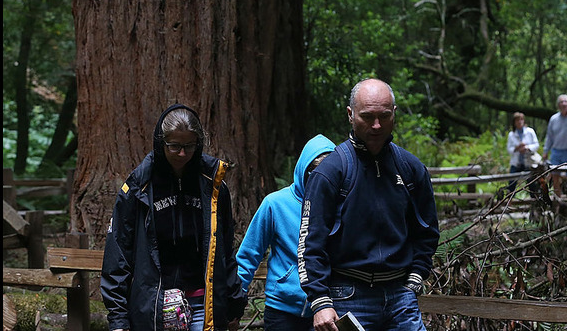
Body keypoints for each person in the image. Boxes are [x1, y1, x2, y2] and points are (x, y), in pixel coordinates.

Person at [298, 78, 440, 331]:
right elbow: (310, 243)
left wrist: (416, 277)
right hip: (347, 295)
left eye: (384, 116)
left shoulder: (411, 169)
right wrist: (320, 301)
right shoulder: (331, 172)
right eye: (367, 116)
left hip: (401, 295)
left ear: (394, 114)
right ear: (350, 115)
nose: (376, 125)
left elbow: (427, 231)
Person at [101, 103, 246, 331]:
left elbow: (226, 251)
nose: (182, 153)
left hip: (203, 303)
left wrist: (233, 305)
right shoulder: (139, 186)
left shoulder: (214, 186)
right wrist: (118, 319)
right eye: (174, 146)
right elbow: (118, 253)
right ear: (161, 142)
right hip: (153, 306)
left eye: (189, 146)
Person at [235, 134, 336, 330]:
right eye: (313, 172)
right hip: (282, 309)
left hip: (327, 308)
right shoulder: (275, 204)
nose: (319, 180)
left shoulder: (340, 206)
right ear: (303, 169)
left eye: (327, 174)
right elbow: (248, 256)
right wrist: (235, 302)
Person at [506, 112, 541, 195]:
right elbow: (509, 149)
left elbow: (536, 145)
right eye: (517, 120)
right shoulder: (511, 135)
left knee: (532, 183)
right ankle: (509, 202)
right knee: (511, 183)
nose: (520, 122)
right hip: (516, 162)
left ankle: (535, 202)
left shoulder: (530, 131)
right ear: (514, 122)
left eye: (521, 119)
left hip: (528, 162)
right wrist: (517, 148)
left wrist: (527, 148)